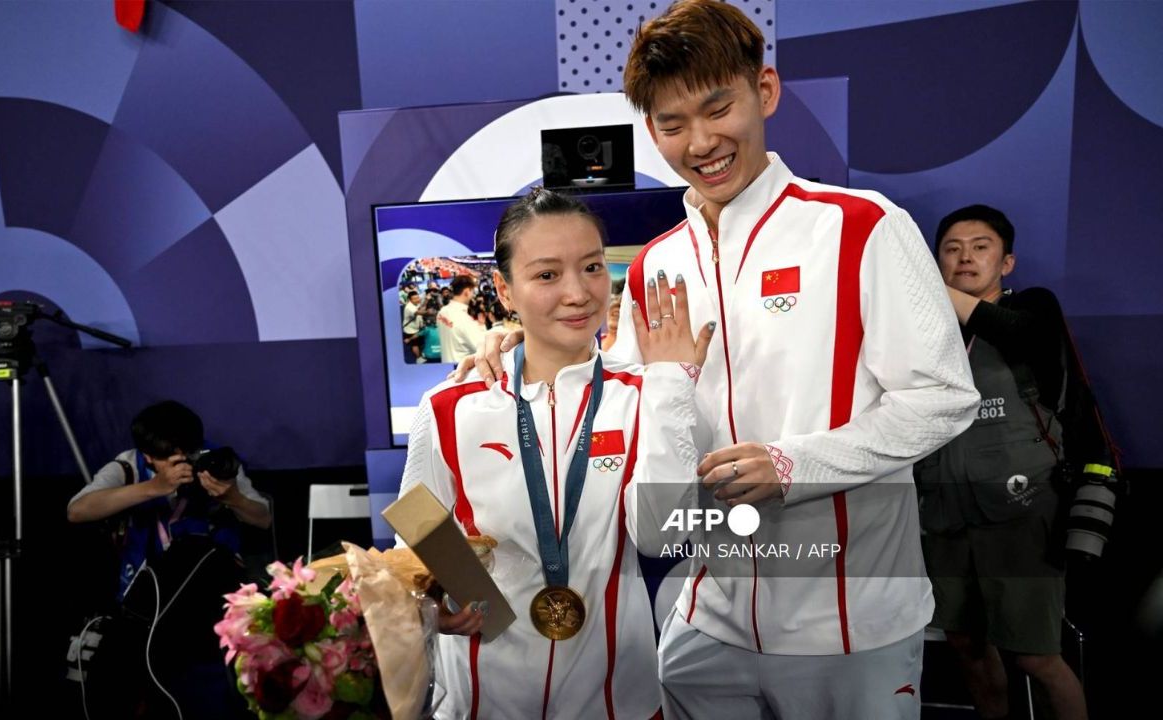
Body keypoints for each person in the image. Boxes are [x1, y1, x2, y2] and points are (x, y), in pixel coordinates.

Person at [455, 2, 980, 717]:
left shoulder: (861, 226)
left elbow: (944, 398)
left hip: (851, 623)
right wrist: (527, 344)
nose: (700, 142)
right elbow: (621, 400)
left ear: (764, 92)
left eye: (717, 108)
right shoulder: (655, 265)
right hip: (707, 618)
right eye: (672, 124)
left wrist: (794, 465)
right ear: (652, 132)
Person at [399, 187, 714, 719]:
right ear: (504, 290)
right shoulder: (452, 405)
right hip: (484, 696)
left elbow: (664, 535)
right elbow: (418, 522)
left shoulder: (647, 396)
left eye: (592, 268)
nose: (578, 293)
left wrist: (671, 386)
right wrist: (443, 603)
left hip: (617, 698)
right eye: (547, 275)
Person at [917, 205, 1089, 720]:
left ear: (1007, 263)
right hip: (944, 511)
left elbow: (1016, 334)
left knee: (1036, 654)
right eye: (950, 248)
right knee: (967, 647)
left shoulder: (1033, 308)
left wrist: (928, 286)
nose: (964, 256)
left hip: (1020, 510)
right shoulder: (922, 333)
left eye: (980, 246)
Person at [67, 400, 271, 719]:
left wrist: (232, 497)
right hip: (147, 606)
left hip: (211, 602)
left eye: (187, 453)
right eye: (168, 458)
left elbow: (263, 518)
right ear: (149, 455)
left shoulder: (215, 460)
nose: (181, 463)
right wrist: (153, 487)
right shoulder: (128, 466)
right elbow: (77, 510)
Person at [437, 275, 488, 363]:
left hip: (446, 363)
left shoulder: (442, 312)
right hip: (462, 370)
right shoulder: (464, 319)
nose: (473, 295)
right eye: (472, 291)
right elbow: (482, 348)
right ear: (467, 292)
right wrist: (482, 327)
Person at [402, 289, 429, 363]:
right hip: (410, 330)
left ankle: (421, 354)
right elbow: (419, 312)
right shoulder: (409, 307)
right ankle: (418, 358)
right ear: (410, 300)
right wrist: (429, 312)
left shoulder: (416, 304)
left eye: (418, 297)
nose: (417, 299)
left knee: (420, 342)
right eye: (415, 299)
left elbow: (422, 308)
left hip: (417, 328)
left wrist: (426, 300)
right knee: (415, 344)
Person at [601, 278, 626, 351]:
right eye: (612, 299)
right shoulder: (591, 344)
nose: (616, 303)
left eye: (623, 299)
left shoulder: (638, 352)